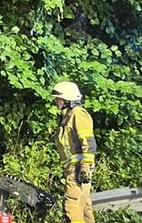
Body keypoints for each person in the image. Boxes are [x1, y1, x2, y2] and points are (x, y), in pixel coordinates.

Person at [51, 81, 96, 223]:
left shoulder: (78, 114)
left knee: (72, 208)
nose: (55, 101)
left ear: (67, 99)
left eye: (58, 98)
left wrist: (84, 168)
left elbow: (89, 143)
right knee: (84, 209)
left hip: (78, 169)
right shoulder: (68, 116)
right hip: (75, 168)